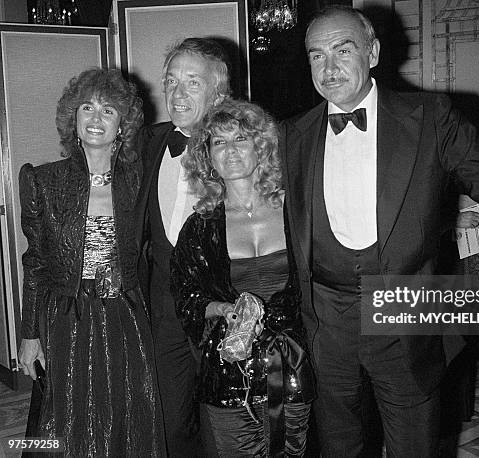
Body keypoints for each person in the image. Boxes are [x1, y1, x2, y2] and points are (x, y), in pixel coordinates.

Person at [279, 5, 479, 457]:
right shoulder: (291, 134)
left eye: (343, 49)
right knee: (338, 444)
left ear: (373, 52)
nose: (329, 66)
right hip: (325, 319)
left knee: (412, 445)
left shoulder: (430, 116)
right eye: (317, 55)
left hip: (403, 311)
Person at [17, 68, 165, 456]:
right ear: (74, 118)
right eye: (88, 107)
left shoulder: (141, 180)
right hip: (69, 316)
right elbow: (35, 263)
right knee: (69, 416)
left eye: (109, 110)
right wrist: (29, 333)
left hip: (127, 314)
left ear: (123, 124)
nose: (96, 118)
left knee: (128, 410)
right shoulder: (43, 181)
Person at [170, 98, 315, 457]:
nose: (230, 150)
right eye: (219, 142)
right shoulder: (199, 227)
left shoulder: (296, 210)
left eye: (241, 139)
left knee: (292, 451)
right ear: (207, 156)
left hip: (293, 361)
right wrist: (220, 307)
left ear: (260, 146)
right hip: (229, 368)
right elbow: (184, 296)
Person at [134, 37, 230, 457]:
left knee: (224, 421)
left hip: (221, 306)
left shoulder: (243, 148)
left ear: (218, 93)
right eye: (171, 82)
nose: (177, 93)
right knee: (172, 424)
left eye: (192, 83)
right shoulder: (148, 143)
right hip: (164, 308)